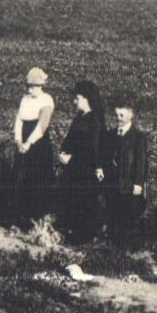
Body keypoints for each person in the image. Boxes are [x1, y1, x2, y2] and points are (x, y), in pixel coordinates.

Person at [57, 79, 107, 242]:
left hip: (85, 169)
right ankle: (71, 233)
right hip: (74, 168)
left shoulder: (94, 121)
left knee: (83, 202)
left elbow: (92, 148)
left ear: (86, 99)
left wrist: (71, 157)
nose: (74, 101)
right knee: (71, 200)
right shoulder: (80, 118)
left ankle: (83, 236)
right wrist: (64, 152)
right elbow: (70, 139)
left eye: (77, 98)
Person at [13, 67, 56, 225]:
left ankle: (38, 216)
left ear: (41, 86)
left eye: (34, 87)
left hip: (38, 144)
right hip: (23, 142)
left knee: (38, 178)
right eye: (29, 86)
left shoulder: (46, 100)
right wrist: (18, 141)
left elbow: (42, 126)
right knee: (22, 177)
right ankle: (22, 216)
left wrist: (29, 143)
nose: (30, 90)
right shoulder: (24, 100)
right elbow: (19, 121)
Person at [104, 102, 150, 244]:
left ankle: (127, 249)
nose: (119, 118)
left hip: (129, 183)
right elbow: (106, 156)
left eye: (122, 115)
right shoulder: (110, 135)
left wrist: (138, 183)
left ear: (131, 115)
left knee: (128, 214)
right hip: (113, 182)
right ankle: (112, 246)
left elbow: (141, 161)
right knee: (112, 212)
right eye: (116, 115)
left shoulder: (138, 137)